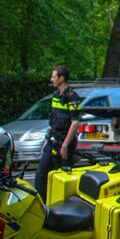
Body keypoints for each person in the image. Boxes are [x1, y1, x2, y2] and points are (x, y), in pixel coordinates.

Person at [34, 65, 82, 201]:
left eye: (54, 76)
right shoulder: (55, 96)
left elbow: (75, 122)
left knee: (62, 177)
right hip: (53, 141)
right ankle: (42, 205)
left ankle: (60, 205)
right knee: (41, 174)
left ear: (61, 79)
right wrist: (46, 141)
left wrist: (65, 146)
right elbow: (53, 121)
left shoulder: (72, 97)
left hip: (64, 143)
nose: (51, 79)